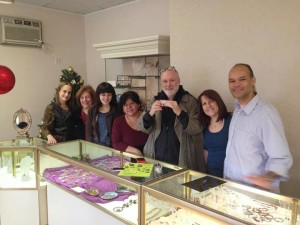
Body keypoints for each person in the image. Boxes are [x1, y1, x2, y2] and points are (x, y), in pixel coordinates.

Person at [224, 63, 293, 192]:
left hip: (255, 192)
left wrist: (266, 179)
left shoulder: (266, 114)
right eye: (232, 81)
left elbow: (281, 158)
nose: (236, 84)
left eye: (242, 79)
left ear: (253, 80)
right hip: (233, 188)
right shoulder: (237, 111)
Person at [137, 66, 205, 172]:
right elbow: (142, 128)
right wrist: (150, 114)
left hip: (180, 158)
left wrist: (179, 112)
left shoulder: (190, 101)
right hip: (155, 157)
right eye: (165, 81)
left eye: (172, 80)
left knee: (178, 187)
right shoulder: (155, 100)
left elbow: (197, 128)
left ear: (179, 80)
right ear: (161, 83)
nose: (168, 84)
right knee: (155, 186)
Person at [198, 89, 232, 178]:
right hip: (211, 175)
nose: (208, 105)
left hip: (231, 176)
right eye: (204, 103)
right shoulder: (203, 126)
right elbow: (206, 152)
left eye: (211, 101)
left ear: (218, 101)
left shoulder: (231, 120)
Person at [112, 91, 149, 156]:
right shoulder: (118, 122)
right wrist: (136, 151)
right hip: (130, 159)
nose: (129, 106)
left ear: (138, 104)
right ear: (123, 108)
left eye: (132, 103)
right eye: (125, 105)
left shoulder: (148, 117)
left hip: (151, 157)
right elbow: (116, 143)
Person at [86, 82, 117, 146]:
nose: (106, 98)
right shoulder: (92, 110)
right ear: (98, 95)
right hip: (96, 146)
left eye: (109, 95)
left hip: (112, 147)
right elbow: (88, 132)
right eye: (103, 95)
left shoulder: (116, 110)